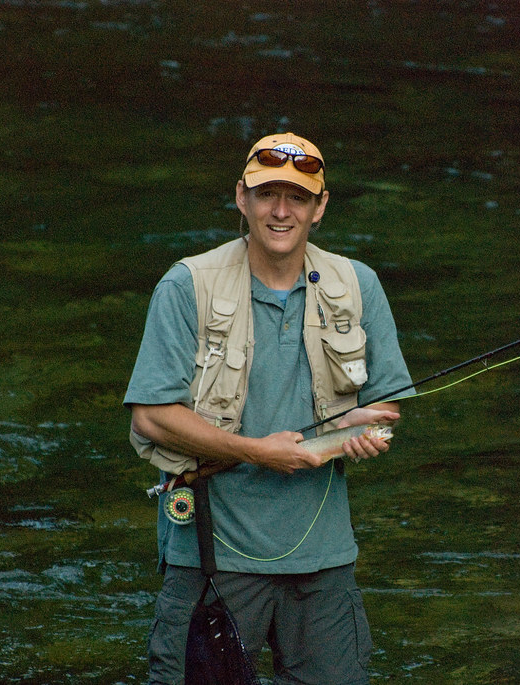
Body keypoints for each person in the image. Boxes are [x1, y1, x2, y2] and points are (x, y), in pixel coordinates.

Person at [124, 132, 414, 684]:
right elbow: (151, 416)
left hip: (325, 563)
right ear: (242, 198)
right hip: (211, 559)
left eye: (298, 198)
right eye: (267, 195)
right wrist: (258, 452)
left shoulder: (359, 286)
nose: (281, 212)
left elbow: (385, 406)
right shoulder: (186, 286)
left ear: (320, 206)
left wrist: (361, 425)